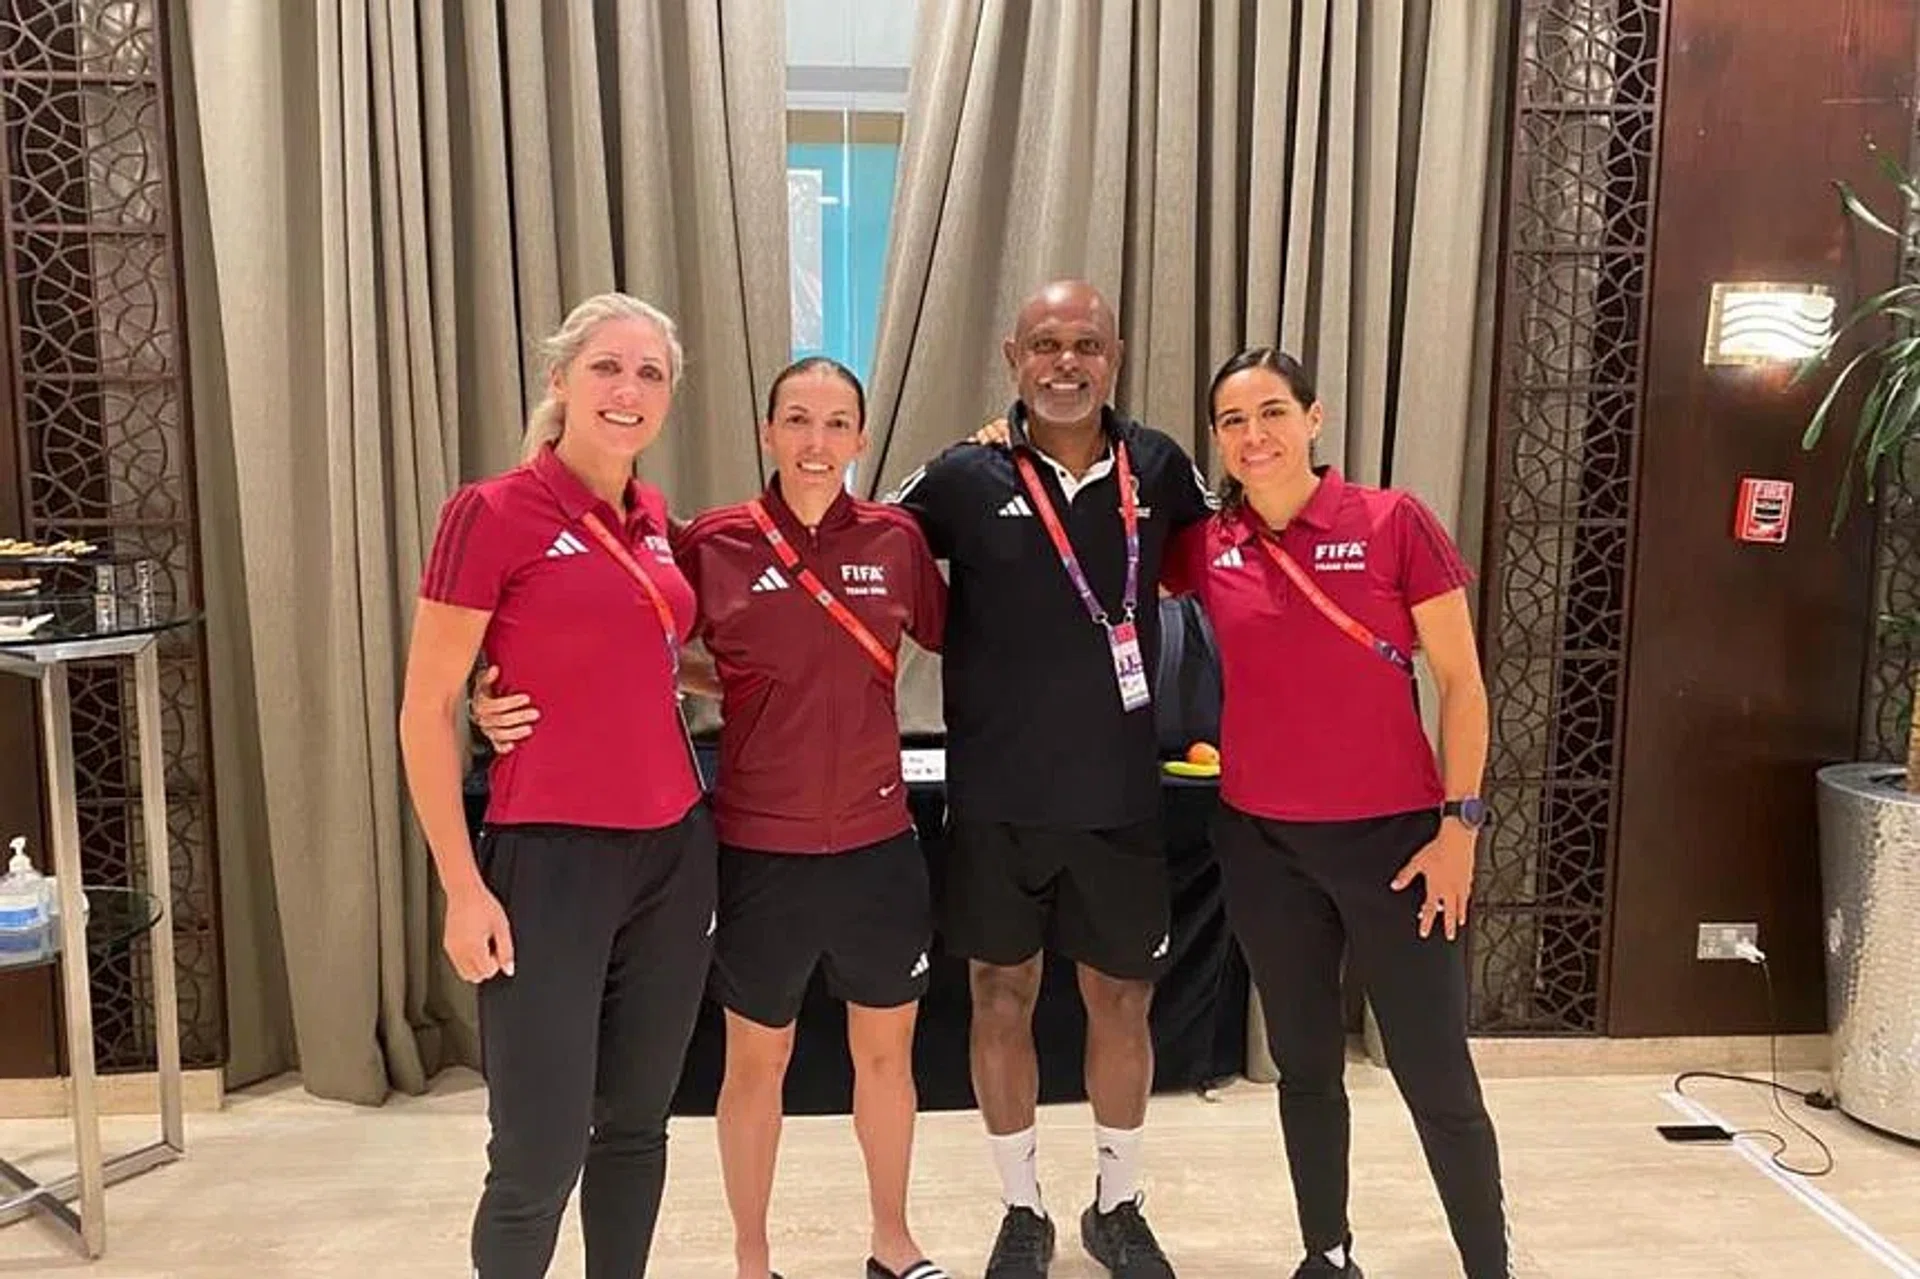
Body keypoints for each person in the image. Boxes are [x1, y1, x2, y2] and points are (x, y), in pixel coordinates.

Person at [475, 358, 952, 1279]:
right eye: (798, 421)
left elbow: (972, 638)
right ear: (768, 433)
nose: (817, 444)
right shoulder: (714, 540)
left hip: (878, 842)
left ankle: (892, 1242)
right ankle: (751, 1258)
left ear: (860, 437)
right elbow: (623, 632)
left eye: (837, 424)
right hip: (754, 847)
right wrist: (487, 694)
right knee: (755, 1064)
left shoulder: (896, 539)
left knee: (887, 1057)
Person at [1161, 347, 1510, 1279]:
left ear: (1314, 419)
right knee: (1305, 1065)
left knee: (1434, 1071)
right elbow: (1099, 551)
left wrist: (1459, 828)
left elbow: (1463, 687)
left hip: (1398, 848)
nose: (1253, 435)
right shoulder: (1207, 545)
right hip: (1261, 845)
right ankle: (1327, 1250)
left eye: (1272, 412)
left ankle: (1490, 1266)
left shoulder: (1393, 524)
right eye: (1232, 422)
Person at [888, 280, 1213, 1279]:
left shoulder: (1161, 466)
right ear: (1010, 354)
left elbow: (1227, 579)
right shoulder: (958, 474)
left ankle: (1117, 1204)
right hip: (997, 804)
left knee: (1123, 1002)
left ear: (1115, 352)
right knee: (999, 995)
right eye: (1044, 344)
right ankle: (1021, 1208)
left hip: (1118, 802)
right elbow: (857, 562)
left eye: (1085, 344)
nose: (1065, 363)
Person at [399, 293, 716, 1279]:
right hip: (548, 863)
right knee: (536, 1153)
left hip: (673, 853)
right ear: (560, 382)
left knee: (635, 1128)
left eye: (649, 374)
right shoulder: (491, 512)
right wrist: (462, 885)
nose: (628, 391)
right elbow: (425, 712)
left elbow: (654, 655)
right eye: (606, 369)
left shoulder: (657, 518)